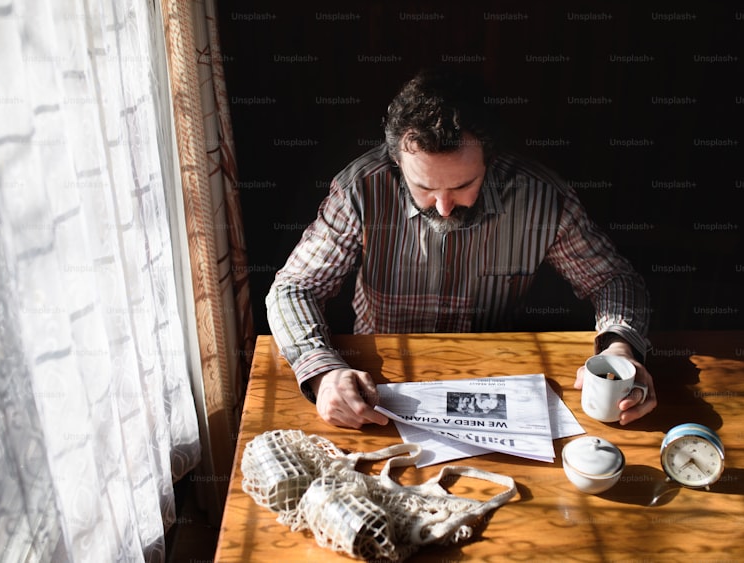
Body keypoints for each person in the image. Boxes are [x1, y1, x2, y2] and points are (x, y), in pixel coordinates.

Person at [266, 68, 656, 429]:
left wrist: (620, 347)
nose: (443, 206)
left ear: (490, 158)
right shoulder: (361, 190)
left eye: (461, 185)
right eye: (424, 188)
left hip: (495, 382)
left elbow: (614, 279)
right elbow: (293, 288)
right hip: (380, 384)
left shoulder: (542, 198)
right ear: (397, 162)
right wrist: (323, 373)